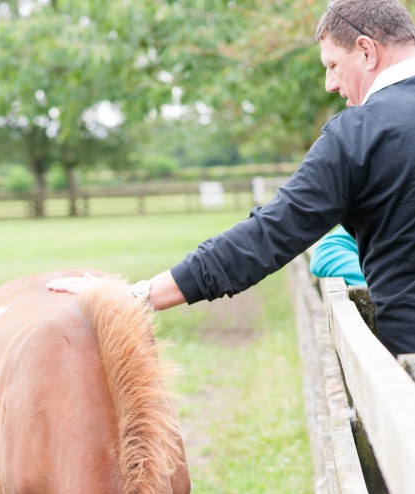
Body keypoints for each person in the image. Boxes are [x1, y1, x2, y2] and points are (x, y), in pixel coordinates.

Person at [48, 0, 415, 358]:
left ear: (366, 51)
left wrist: (141, 296)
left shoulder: (360, 134)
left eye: (333, 65)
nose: (329, 84)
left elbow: (269, 234)